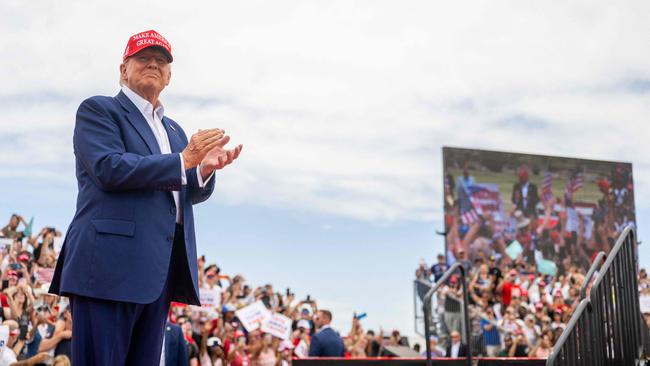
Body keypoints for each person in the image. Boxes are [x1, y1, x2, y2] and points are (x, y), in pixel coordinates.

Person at [48, 29, 243, 365]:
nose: (153, 64)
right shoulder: (99, 110)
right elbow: (109, 168)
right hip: (108, 270)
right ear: (123, 69)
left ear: (169, 75)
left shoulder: (175, 131)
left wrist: (203, 171)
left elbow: (179, 190)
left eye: (161, 61)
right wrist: (183, 161)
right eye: (143, 58)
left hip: (156, 272)